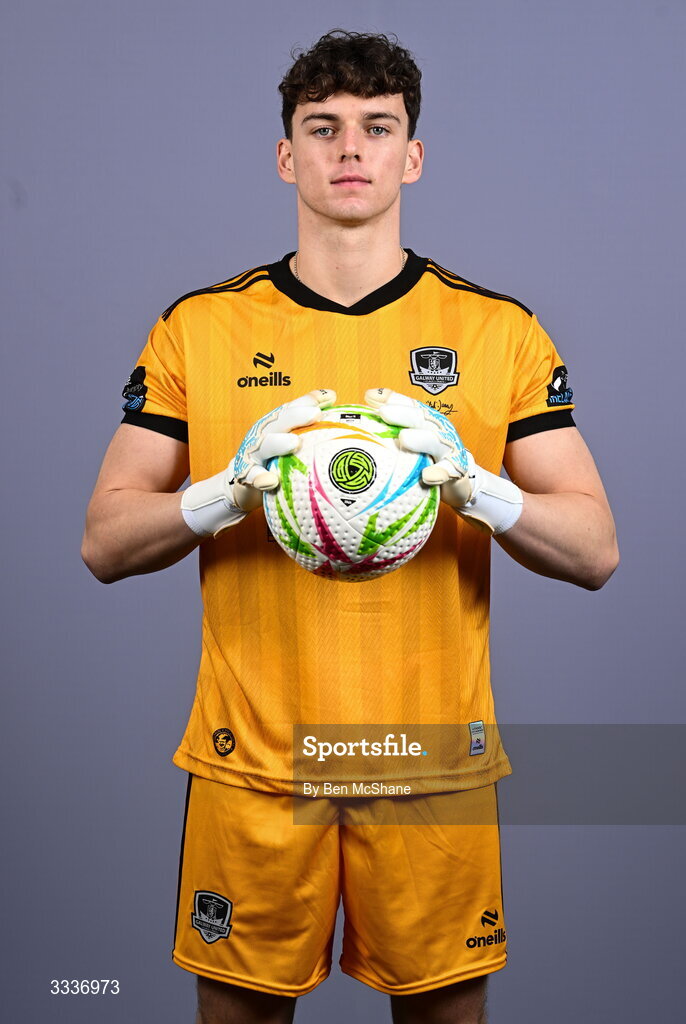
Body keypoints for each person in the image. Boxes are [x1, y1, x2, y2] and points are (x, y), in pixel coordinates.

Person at [82, 29, 618, 1024]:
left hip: (429, 764)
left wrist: (471, 484)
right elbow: (104, 542)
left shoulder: (495, 330)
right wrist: (226, 491)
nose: (349, 149)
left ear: (411, 155)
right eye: (321, 128)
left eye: (377, 128)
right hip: (254, 761)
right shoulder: (199, 326)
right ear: (286, 156)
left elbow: (593, 550)